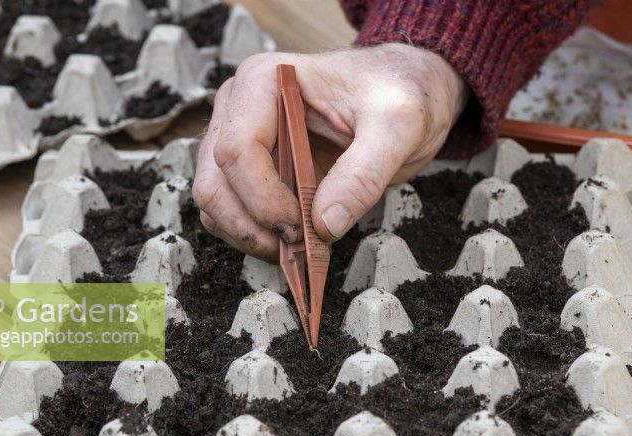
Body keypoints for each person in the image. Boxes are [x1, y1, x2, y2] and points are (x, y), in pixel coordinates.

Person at [193, 0, 594, 262]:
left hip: (582, 70)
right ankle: (127, 335)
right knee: (134, 338)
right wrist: (424, 55)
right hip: (491, 54)